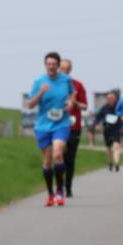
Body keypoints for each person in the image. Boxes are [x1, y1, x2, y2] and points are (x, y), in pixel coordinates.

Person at [27, 52, 73, 206]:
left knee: (58, 153)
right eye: (49, 64)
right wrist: (41, 91)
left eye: (54, 64)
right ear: (45, 65)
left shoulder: (66, 80)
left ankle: (60, 191)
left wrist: (71, 103)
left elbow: (72, 94)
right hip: (43, 125)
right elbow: (30, 104)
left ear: (58, 65)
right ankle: (50, 194)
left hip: (61, 123)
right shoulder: (39, 81)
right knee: (47, 162)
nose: (51, 66)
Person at [59, 58, 87, 198]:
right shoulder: (54, 85)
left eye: (67, 69)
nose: (64, 71)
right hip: (58, 125)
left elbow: (85, 106)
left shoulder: (78, 85)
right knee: (59, 156)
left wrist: (75, 102)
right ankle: (59, 185)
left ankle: (68, 187)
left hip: (74, 126)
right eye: (62, 68)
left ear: (70, 70)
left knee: (69, 159)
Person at [94, 91, 123, 171]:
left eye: (112, 98)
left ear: (115, 99)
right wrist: (97, 124)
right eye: (108, 98)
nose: (110, 99)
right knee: (109, 148)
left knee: (116, 146)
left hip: (116, 129)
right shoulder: (104, 108)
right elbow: (98, 117)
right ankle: (110, 162)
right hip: (107, 130)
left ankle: (116, 163)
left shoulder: (119, 107)